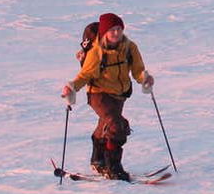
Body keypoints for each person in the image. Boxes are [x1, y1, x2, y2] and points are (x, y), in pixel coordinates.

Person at [61, 12, 155, 180]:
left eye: (119, 29)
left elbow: (138, 70)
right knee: (117, 126)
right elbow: (85, 75)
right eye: (112, 30)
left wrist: (145, 79)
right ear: (104, 33)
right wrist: (72, 87)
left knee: (106, 126)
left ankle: (98, 160)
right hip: (99, 94)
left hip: (119, 95)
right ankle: (113, 167)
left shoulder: (130, 47)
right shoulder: (96, 51)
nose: (116, 33)